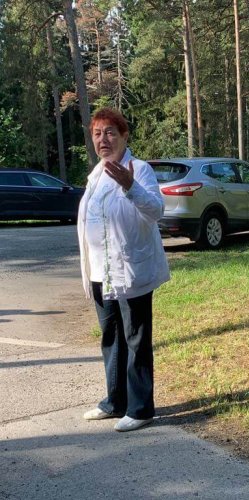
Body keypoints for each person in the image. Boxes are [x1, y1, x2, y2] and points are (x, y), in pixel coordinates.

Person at [77, 107, 170, 432]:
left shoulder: (139, 169)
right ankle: (115, 402)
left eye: (110, 132)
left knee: (135, 338)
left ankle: (141, 408)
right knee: (111, 337)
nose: (103, 139)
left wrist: (132, 187)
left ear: (124, 136)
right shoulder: (96, 174)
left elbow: (156, 211)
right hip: (100, 272)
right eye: (97, 134)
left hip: (130, 271)